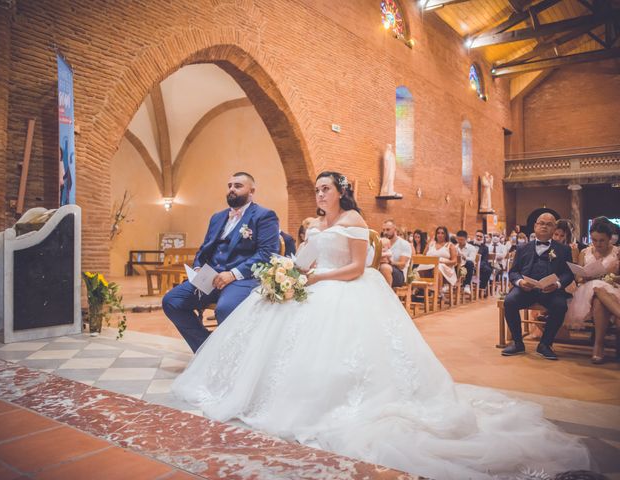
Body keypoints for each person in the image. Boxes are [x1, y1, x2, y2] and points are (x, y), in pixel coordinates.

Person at [172, 171, 590, 479]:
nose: (319, 195)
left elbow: (357, 267)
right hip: (314, 283)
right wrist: (287, 274)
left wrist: (314, 278)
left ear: (341, 193)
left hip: (346, 288)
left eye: (325, 189)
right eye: (316, 189)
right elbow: (304, 260)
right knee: (270, 316)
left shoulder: (354, 223)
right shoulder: (317, 224)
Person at [162, 172, 280, 353]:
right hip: (210, 278)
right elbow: (204, 248)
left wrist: (233, 274)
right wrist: (198, 267)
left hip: (242, 279)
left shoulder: (264, 216)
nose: (232, 189)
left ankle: (234, 356)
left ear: (252, 191)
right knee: (172, 301)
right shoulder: (218, 217)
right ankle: (207, 350)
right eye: (230, 185)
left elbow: (267, 254)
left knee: (226, 309)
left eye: (238, 186)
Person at [502, 213, 575, 360]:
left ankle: (545, 344)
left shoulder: (563, 250)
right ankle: (517, 343)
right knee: (509, 301)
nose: (544, 226)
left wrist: (558, 284)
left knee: (560, 306)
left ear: (554, 228)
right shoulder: (523, 248)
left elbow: (568, 274)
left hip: (551, 291)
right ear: (535, 226)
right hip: (526, 290)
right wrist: (520, 282)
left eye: (548, 224)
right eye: (541, 223)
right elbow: (514, 272)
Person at [564, 217, 620, 364]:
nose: (598, 244)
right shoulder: (585, 252)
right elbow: (578, 277)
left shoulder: (617, 253)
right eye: (594, 240)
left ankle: (598, 346)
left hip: (612, 291)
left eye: (602, 240)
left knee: (599, 300)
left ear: (610, 238)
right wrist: (583, 277)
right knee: (595, 288)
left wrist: (612, 277)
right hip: (586, 292)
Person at [379, 219, 412, 287]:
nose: (385, 232)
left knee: (384, 267)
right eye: (383, 230)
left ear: (395, 229)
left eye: (388, 230)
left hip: (399, 274)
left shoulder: (404, 244)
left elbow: (402, 265)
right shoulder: (381, 242)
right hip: (383, 269)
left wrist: (390, 262)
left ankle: (387, 295)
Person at [456, 230, 477, 295]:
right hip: (456, 267)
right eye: (458, 239)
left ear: (466, 239)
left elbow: (472, 259)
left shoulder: (471, 248)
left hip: (465, 268)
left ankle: (467, 285)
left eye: (462, 240)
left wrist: (463, 256)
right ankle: (447, 285)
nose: (460, 241)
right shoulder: (454, 247)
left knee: (469, 263)